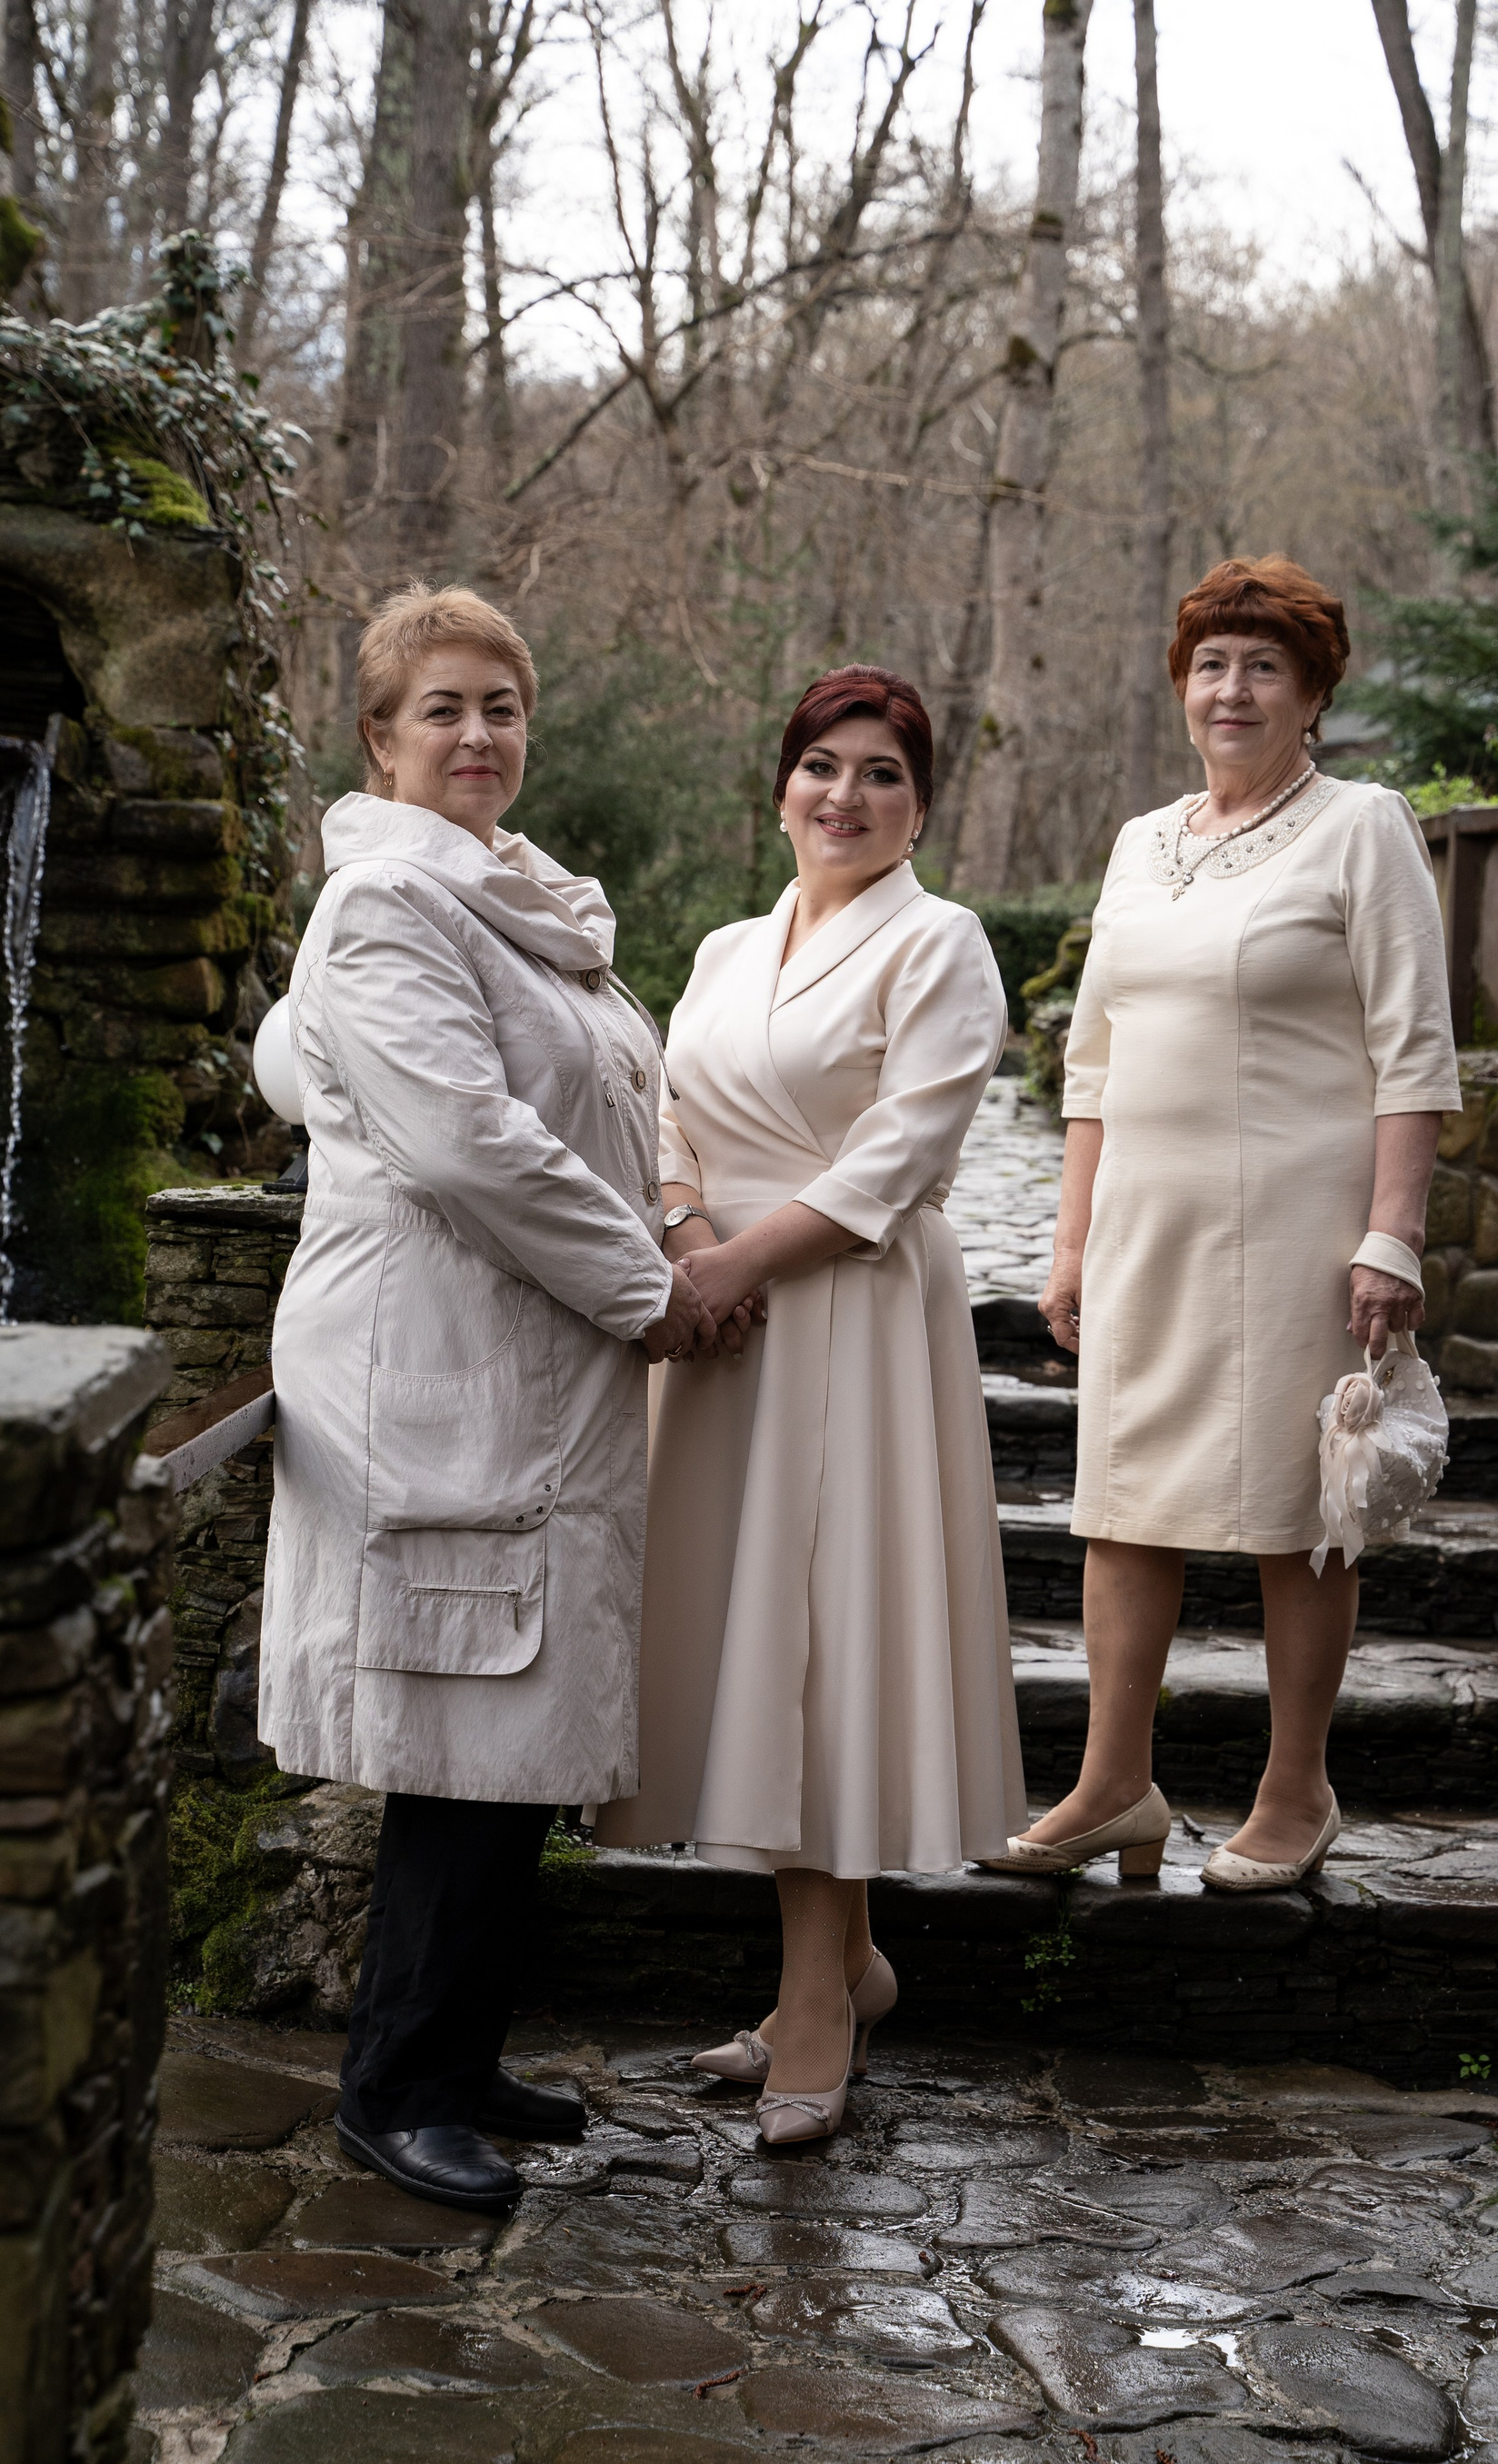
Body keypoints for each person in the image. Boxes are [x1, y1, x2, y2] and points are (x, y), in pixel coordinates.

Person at [258, 584, 707, 2213]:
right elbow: (469, 1144)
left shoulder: (528, 904)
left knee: (510, 1732)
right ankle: (392, 2089)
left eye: (501, 707)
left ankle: (459, 2059)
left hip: (537, 1365)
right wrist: (652, 1286)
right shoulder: (388, 904)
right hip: (441, 1365)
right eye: (441, 708)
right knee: (454, 1734)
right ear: (379, 738)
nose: (477, 735)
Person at [978, 556, 1459, 1893]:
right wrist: (1071, 1243)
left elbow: (1414, 1047)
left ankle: (1297, 1791)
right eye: (1210, 664)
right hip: (1146, 1221)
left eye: (1263, 666)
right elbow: (1091, 1064)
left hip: (1300, 1224)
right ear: (1182, 687)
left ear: (1312, 692)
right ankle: (1114, 1786)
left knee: (1301, 1508)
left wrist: (1393, 1237)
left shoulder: (1362, 826)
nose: (1231, 689)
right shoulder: (1142, 842)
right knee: (1121, 1503)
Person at [595, 664, 1024, 2140]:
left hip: (854, 1310)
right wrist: (686, 1239)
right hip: (727, 1327)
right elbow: (664, 1111)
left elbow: (902, 1153)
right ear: (782, 787)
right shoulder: (727, 948)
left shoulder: (941, 943)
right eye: (823, 766)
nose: (847, 795)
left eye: (882, 773)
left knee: (827, 1644)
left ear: (921, 808)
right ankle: (840, 1968)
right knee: (757, 1636)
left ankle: (820, 2006)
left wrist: (739, 1266)